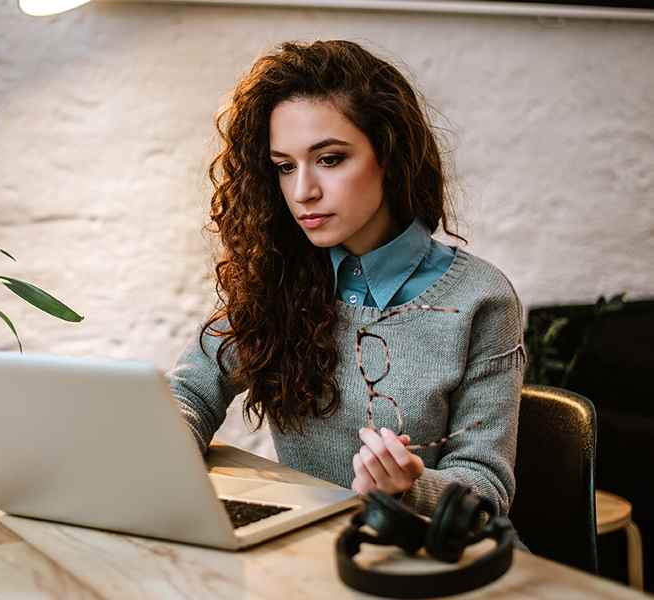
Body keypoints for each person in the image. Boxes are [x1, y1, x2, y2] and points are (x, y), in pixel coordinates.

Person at [167, 40, 525, 526]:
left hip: (432, 563)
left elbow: (486, 489)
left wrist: (409, 487)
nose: (302, 191)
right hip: (307, 548)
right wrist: (159, 450)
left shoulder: (481, 299)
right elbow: (190, 394)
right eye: (284, 166)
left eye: (330, 159)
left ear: (389, 155)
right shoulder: (276, 275)